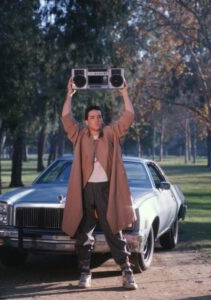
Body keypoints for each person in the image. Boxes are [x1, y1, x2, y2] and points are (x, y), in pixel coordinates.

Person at [61, 78, 137, 290]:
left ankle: (127, 272)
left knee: (113, 230)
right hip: (85, 191)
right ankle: (85, 273)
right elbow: (66, 117)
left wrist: (124, 93)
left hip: (106, 190)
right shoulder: (79, 135)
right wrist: (69, 94)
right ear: (86, 121)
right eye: (92, 117)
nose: (97, 119)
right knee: (83, 232)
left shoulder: (111, 134)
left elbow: (129, 116)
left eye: (99, 116)